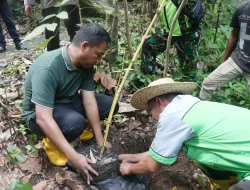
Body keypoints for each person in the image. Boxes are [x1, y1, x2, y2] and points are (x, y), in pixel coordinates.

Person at [21, 23, 119, 184]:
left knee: (110, 105)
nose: (99, 60)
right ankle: (52, 141)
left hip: (66, 104)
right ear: (84, 46)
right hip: (39, 115)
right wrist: (74, 157)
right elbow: (43, 118)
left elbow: (89, 100)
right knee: (75, 123)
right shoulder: (48, 67)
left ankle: (72, 129)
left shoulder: (86, 65)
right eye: (98, 55)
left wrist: (99, 138)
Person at [118, 78, 250, 190]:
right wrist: (130, 157)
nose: (151, 116)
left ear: (159, 101)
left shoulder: (173, 115)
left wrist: (128, 168)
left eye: (150, 110)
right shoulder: (192, 108)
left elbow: (151, 165)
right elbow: (158, 153)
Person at [199, 1, 250, 100]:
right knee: (207, 84)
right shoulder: (242, 8)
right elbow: (234, 36)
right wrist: (225, 59)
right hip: (238, 60)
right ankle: (202, 112)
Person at [141, 0, 204, 79]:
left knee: (188, 69)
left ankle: (188, 88)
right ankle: (150, 80)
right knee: (149, 46)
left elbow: (192, 12)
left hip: (186, 33)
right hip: (168, 31)